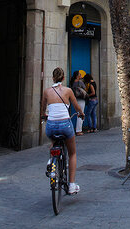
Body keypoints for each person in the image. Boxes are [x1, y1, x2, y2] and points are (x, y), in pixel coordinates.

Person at [42, 67, 85, 195]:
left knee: (53, 142)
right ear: (64, 78)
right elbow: (76, 106)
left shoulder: (47, 92)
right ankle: (71, 185)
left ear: (53, 78)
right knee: (72, 153)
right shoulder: (68, 90)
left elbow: (43, 107)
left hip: (51, 125)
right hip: (65, 125)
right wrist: (81, 114)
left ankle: (51, 162)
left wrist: (43, 115)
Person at [71, 70, 88, 136]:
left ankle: (75, 129)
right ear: (78, 76)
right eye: (80, 74)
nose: (81, 76)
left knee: (76, 113)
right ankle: (79, 130)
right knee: (81, 114)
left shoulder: (72, 82)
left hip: (75, 99)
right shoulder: (80, 82)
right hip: (81, 99)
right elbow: (85, 89)